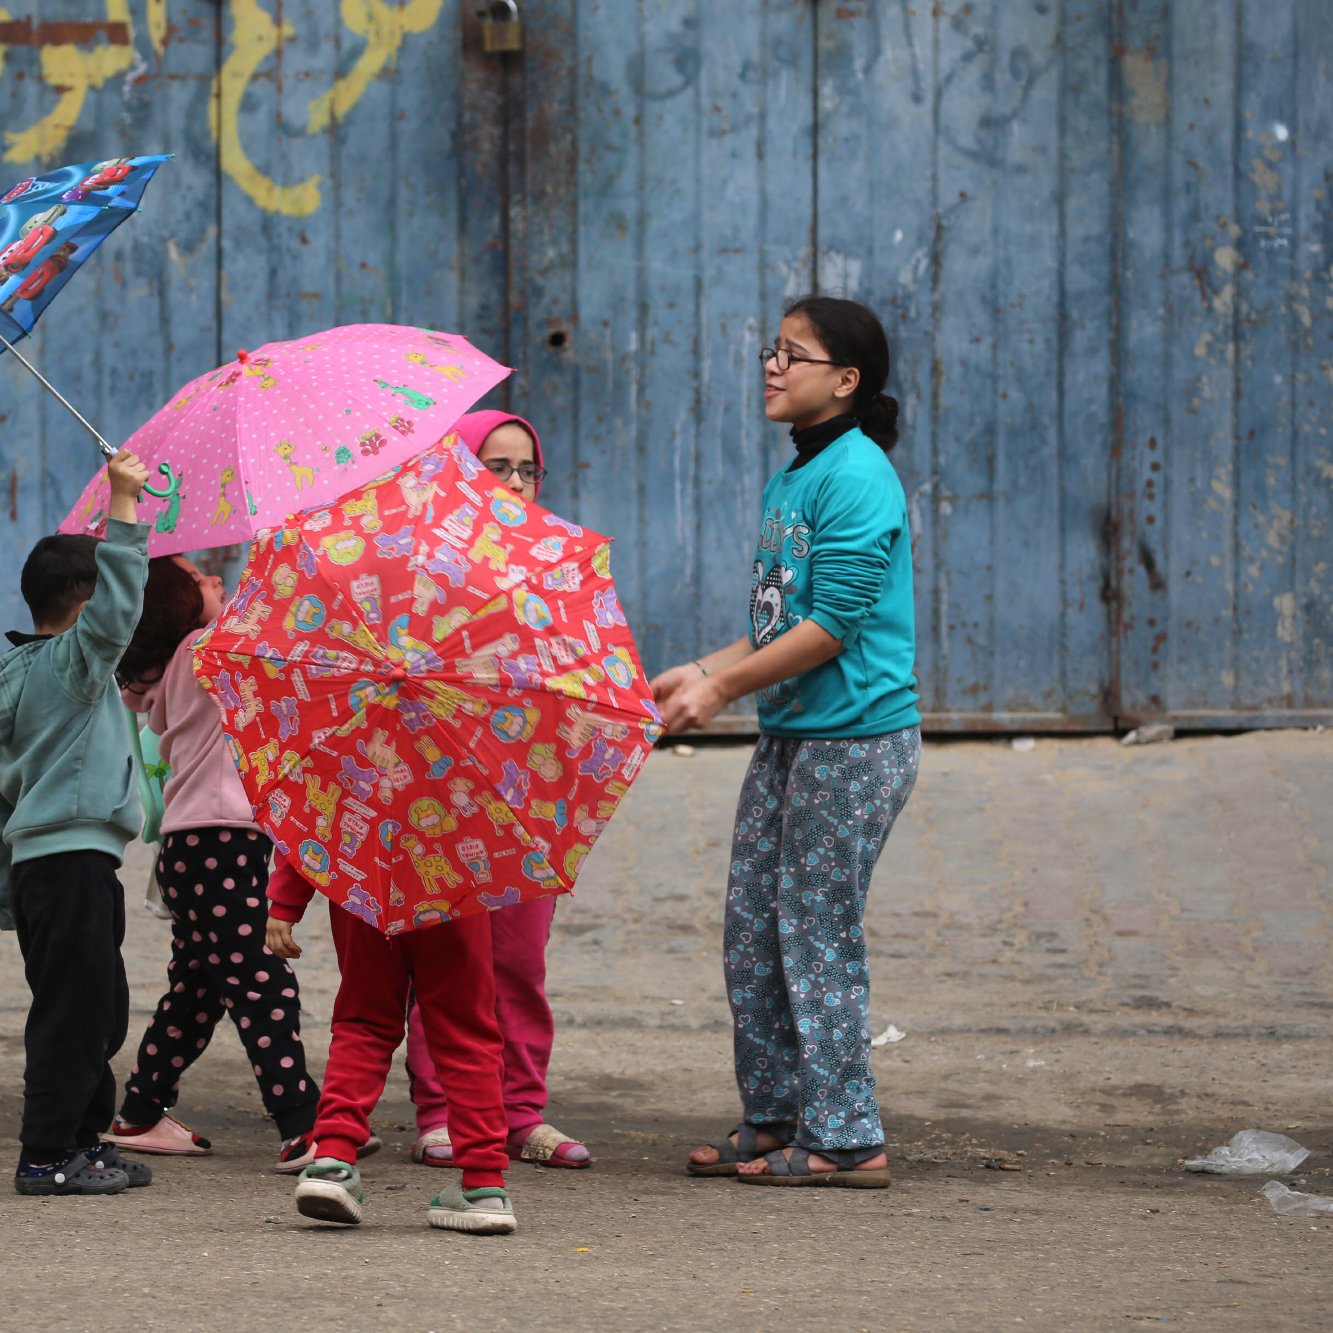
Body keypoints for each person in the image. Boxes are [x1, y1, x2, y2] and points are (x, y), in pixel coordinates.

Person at [651, 296, 921, 1188]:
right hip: (795, 733)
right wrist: (697, 667)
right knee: (752, 927)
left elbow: (834, 624)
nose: (772, 366)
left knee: (814, 931)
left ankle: (847, 1137)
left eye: (792, 355)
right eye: (771, 349)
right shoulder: (795, 475)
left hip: (855, 740)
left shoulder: (856, 475)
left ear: (844, 381)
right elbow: (780, 623)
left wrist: (721, 689)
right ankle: (775, 1115)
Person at [403, 411, 590, 1171]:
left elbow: (587, 664)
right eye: (495, 464)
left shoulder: (558, 562)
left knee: (519, 958)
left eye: (525, 469)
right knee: (451, 960)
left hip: (530, 789)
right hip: (444, 791)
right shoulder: (424, 561)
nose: (513, 481)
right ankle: (443, 1108)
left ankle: (520, 1110)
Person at [103, 555, 323, 1171]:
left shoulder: (175, 663)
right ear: (177, 605)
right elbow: (274, 616)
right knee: (263, 982)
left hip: (197, 848)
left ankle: (141, 1112)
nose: (217, 580)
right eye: (200, 579)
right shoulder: (207, 646)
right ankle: (304, 1126)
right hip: (221, 843)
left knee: (198, 990)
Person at [0, 449, 153, 1196]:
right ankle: (47, 1154)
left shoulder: (23, 668)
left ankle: (85, 1141)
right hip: (69, 862)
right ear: (87, 602)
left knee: (99, 1003)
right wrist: (124, 502)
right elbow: (120, 607)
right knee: (73, 1010)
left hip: (55, 864)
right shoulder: (73, 662)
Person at [267, 859, 517, 1233]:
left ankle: (332, 1161)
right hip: (457, 895)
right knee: (467, 1035)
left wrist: (286, 904)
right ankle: (484, 1185)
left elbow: (310, 819)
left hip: (364, 890)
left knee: (363, 1023)